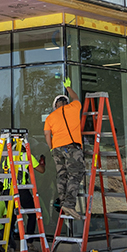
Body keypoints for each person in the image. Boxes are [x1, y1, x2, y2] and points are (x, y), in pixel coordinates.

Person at [43, 92, 87, 241]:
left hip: (56, 148)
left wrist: (51, 148)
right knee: (76, 172)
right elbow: (76, 98)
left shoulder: (50, 117)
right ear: (65, 102)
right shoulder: (73, 107)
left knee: (62, 174)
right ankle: (69, 203)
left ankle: (63, 201)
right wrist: (69, 87)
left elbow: (47, 134)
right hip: (71, 147)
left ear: (55, 105)